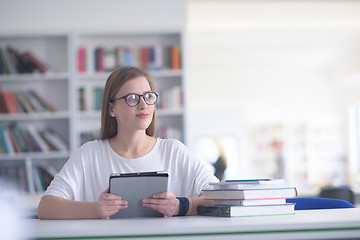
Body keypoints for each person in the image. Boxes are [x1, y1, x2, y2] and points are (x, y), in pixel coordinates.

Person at [37, 66, 218, 219]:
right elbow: (45, 207)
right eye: (132, 98)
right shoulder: (89, 154)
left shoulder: (174, 151)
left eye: (149, 96)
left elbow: (220, 198)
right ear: (111, 109)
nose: (143, 104)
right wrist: (96, 209)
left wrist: (181, 206)